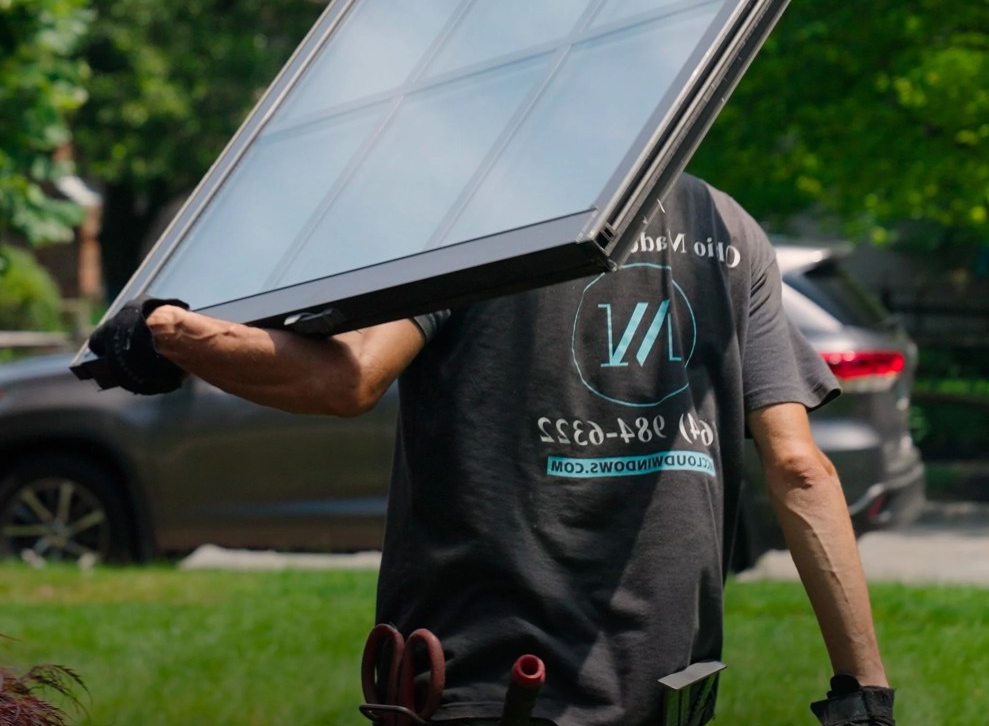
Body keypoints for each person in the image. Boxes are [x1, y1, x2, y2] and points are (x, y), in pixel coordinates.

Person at [86, 173, 895, 726]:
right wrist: (864, 688)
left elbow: (346, 378)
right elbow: (799, 468)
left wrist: (169, 332)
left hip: (489, 680)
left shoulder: (480, 221)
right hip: (668, 683)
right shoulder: (724, 225)